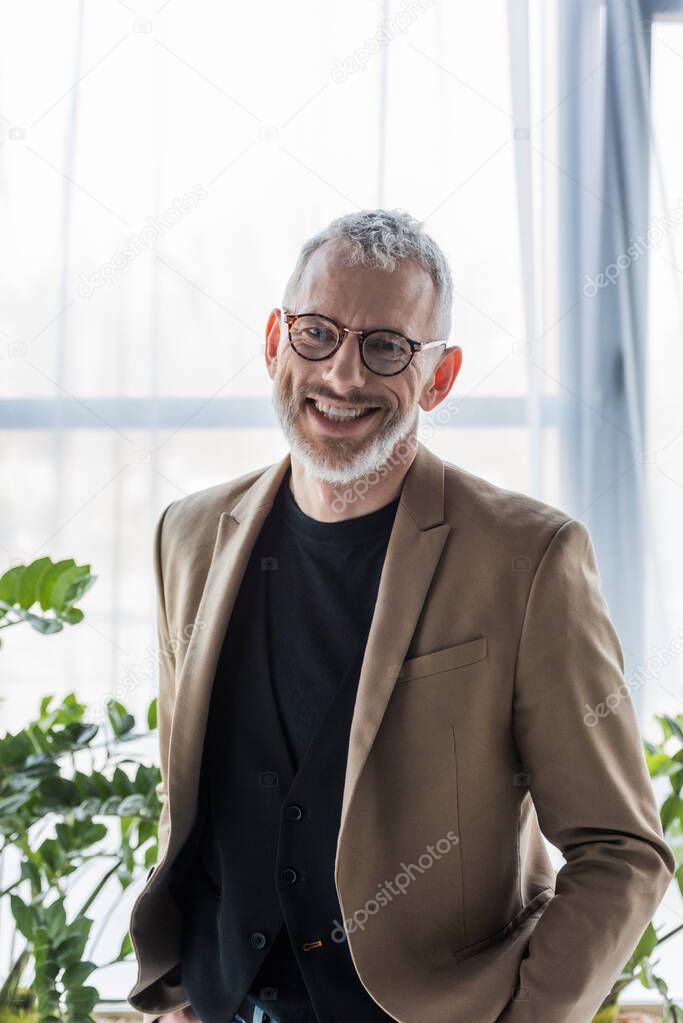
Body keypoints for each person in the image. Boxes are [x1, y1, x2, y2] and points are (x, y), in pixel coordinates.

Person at [127, 209, 675, 1023]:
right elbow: (193, 804)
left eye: (386, 346)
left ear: (439, 376)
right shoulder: (189, 533)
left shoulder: (528, 557)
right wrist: (176, 990)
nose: (343, 374)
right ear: (275, 340)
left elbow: (621, 850)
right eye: (316, 333)